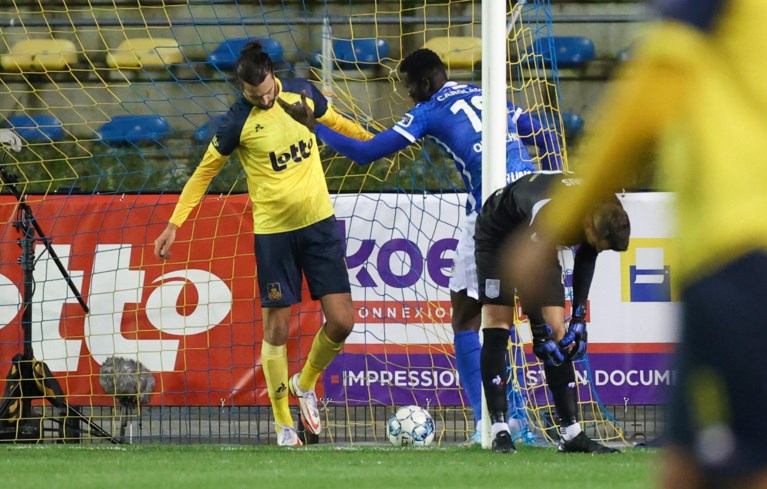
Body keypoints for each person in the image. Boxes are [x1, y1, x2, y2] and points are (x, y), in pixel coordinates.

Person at [505, 0, 767, 485]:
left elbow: (649, 97)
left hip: (738, 253)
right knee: (690, 461)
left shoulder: (706, 12)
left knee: (739, 459)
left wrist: (554, 227)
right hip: (734, 258)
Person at [278, 48, 562, 445]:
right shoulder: (485, 94)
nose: (408, 94)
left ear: (426, 83)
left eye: (409, 86)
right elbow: (545, 133)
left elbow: (366, 153)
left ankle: (491, 422)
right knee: (539, 318)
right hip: (533, 203)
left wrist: (315, 128)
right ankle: (562, 423)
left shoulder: (429, 110)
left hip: (491, 213)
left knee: (468, 317)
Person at [153, 41, 374, 447]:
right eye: (255, 96)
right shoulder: (236, 123)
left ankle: (304, 383)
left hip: (319, 225)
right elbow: (203, 175)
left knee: (342, 321)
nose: (265, 98)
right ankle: (283, 424)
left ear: (273, 74)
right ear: (243, 89)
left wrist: (374, 142)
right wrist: (174, 224)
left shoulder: (302, 93)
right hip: (273, 234)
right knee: (276, 329)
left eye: (268, 90)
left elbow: (338, 123)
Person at [476, 171, 630, 453]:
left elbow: (588, 252)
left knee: (558, 329)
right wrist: (537, 331)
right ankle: (498, 429)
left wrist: (579, 316)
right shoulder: (552, 213)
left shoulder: (606, 206)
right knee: (498, 322)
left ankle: (571, 434)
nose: (597, 248)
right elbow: (527, 270)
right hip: (499, 232)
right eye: (597, 242)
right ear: (588, 223)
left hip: (535, 238)